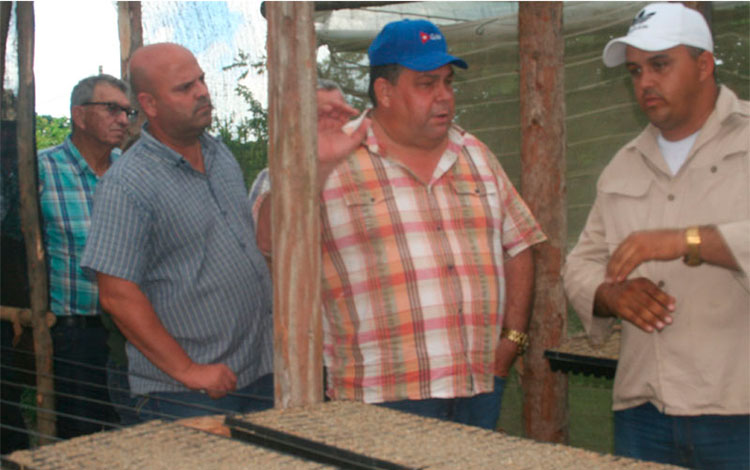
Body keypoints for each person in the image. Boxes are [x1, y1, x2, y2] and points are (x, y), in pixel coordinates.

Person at [253, 19, 546, 430]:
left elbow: (520, 244)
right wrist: (311, 166)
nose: (444, 96)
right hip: (380, 398)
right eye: (427, 84)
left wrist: (510, 343)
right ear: (384, 92)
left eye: (447, 82)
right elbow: (268, 241)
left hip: (478, 386)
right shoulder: (332, 152)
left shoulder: (475, 153)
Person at [563, 4, 749, 469]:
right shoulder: (623, 164)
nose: (645, 81)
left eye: (660, 65)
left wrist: (683, 242)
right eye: (635, 70)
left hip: (738, 409)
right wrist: (610, 295)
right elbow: (579, 265)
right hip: (644, 411)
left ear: (704, 65)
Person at [81, 43, 274, 421]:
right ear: (149, 104)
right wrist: (189, 370)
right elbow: (117, 294)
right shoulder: (127, 184)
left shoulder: (220, 156)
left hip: (255, 371)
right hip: (184, 393)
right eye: (184, 88)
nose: (202, 91)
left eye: (200, 80)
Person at [37, 74, 134, 438]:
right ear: (79, 116)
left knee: (136, 437)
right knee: (82, 439)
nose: (123, 120)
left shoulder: (132, 171)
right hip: (77, 336)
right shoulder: (42, 171)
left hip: (134, 332)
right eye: (112, 109)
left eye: (127, 111)